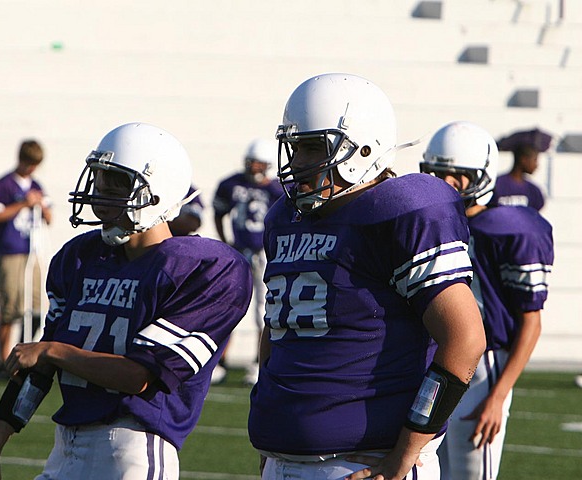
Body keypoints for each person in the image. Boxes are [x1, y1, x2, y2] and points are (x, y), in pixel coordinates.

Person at [0, 122, 253, 480]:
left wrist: (52, 349)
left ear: (157, 193)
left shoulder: (200, 267)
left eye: (116, 184)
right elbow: (39, 367)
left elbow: (137, 376)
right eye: (99, 180)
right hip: (65, 447)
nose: (100, 194)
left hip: (133, 447)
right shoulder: (80, 257)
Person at [247, 73, 486, 480]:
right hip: (285, 458)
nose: (297, 163)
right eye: (294, 148)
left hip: (366, 462)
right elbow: (278, 328)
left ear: (363, 149)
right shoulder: (285, 219)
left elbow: (465, 340)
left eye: (311, 149)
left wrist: (404, 455)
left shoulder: (399, 211)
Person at [420, 121, 554, 480]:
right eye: (436, 172)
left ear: (480, 176)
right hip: (432, 362)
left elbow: (531, 322)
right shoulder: (429, 222)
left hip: (482, 366)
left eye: (457, 175)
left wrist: (497, 396)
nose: (445, 183)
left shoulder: (509, 228)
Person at [213, 138, 284, 384]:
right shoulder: (232, 184)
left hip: (265, 253)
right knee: (227, 306)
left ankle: (258, 362)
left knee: (263, 312)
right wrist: (226, 242)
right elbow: (219, 212)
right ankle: (219, 361)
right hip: (240, 250)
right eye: (251, 163)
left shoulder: (279, 190)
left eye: (258, 164)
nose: (254, 168)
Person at [0, 139, 52, 379]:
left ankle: (22, 353)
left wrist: (40, 205)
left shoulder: (37, 186)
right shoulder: (4, 184)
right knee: (10, 309)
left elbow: (49, 218)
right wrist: (23, 204)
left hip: (32, 252)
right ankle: (3, 361)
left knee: (34, 307)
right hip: (10, 252)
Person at [488, 144, 545, 210]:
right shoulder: (496, 185)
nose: (536, 165)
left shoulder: (534, 191)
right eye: (535, 160)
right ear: (523, 159)